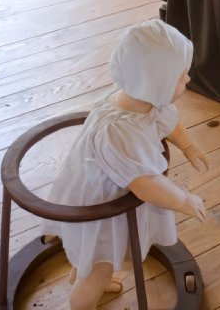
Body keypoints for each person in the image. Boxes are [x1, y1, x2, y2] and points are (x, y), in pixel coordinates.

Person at [46, 19, 209, 310]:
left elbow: (168, 123)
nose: (188, 79)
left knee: (92, 258)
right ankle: (80, 302)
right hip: (102, 207)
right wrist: (184, 200)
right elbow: (146, 185)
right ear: (154, 82)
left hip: (100, 190)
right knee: (99, 267)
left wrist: (188, 145)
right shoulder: (119, 132)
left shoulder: (142, 102)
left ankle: (82, 275)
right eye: (179, 75)